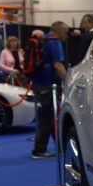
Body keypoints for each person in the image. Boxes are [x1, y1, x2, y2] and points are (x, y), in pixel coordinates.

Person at [30, 21, 68, 159]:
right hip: (48, 85)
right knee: (46, 118)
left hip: (38, 83)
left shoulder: (43, 40)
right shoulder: (54, 43)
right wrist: (68, 81)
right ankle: (39, 150)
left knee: (50, 117)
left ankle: (60, 146)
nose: (67, 35)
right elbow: (58, 65)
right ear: (60, 31)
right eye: (66, 32)